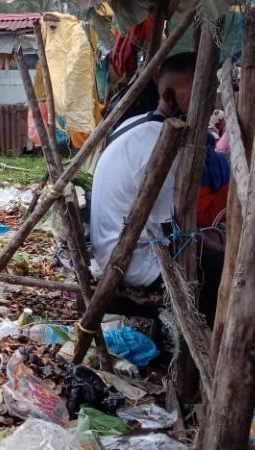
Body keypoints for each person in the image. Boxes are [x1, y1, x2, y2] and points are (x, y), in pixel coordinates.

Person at [90, 52, 224, 324]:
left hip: (115, 248)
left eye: (208, 94)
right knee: (227, 272)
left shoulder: (138, 124)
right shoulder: (160, 146)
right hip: (130, 262)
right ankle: (208, 347)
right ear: (167, 96)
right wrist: (217, 245)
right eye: (196, 96)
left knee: (217, 253)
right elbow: (174, 234)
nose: (206, 105)